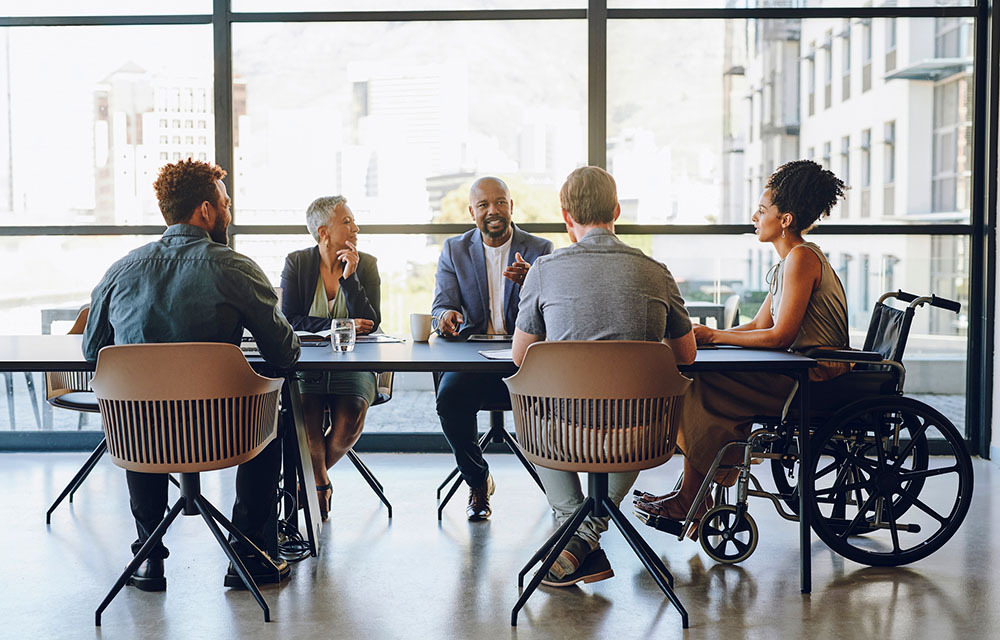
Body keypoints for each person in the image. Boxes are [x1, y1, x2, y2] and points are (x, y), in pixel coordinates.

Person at [83, 159, 301, 592]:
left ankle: (147, 557)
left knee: (139, 406)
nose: (229, 211)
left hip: (141, 438)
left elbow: (94, 351)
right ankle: (250, 555)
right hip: (224, 434)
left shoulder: (120, 271)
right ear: (205, 210)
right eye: (226, 203)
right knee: (269, 409)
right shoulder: (235, 268)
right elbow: (285, 353)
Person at [634, 159, 849, 532]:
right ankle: (694, 495)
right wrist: (710, 336)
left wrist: (716, 337)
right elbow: (757, 326)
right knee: (701, 378)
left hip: (815, 376)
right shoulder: (788, 262)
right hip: (798, 369)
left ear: (785, 219)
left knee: (700, 384)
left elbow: (780, 336)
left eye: (763, 210)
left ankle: (692, 498)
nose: (755, 216)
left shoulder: (801, 258)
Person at [512, 166, 696, 587]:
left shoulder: (543, 270)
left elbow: (521, 357)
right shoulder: (657, 271)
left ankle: (572, 528)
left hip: (560, 435)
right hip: (640, 435)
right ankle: (584, 537)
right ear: (616, 210)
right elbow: (686, 354)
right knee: (636, 407)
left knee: (529, 393)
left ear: (565, 217)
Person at [432, 176, 553, 520]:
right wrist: (446, 316)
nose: (493, 211)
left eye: (500, 202)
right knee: (449, 399)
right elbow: (440, 305)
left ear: (511, 206)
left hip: (526, 358)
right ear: (472, 212)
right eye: (484, 205)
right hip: (474, 358)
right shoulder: (455, 250)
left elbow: (557, 309)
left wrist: (534, 281)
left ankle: (559, 487)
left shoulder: (540, 250)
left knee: (556, 398)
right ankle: (478, 480)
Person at [280, 196, 380, 521]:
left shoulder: (366, 264)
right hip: (306, 364)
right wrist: (341, 325)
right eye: (348, 222)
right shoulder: (297, 263)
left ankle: (303, 480)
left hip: (354, 365)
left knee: (349, 420)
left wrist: (350, 279)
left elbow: (371, 322)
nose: (356, 227)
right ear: (323, 232)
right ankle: (320, 483)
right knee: (307, 420)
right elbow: (290, 319)